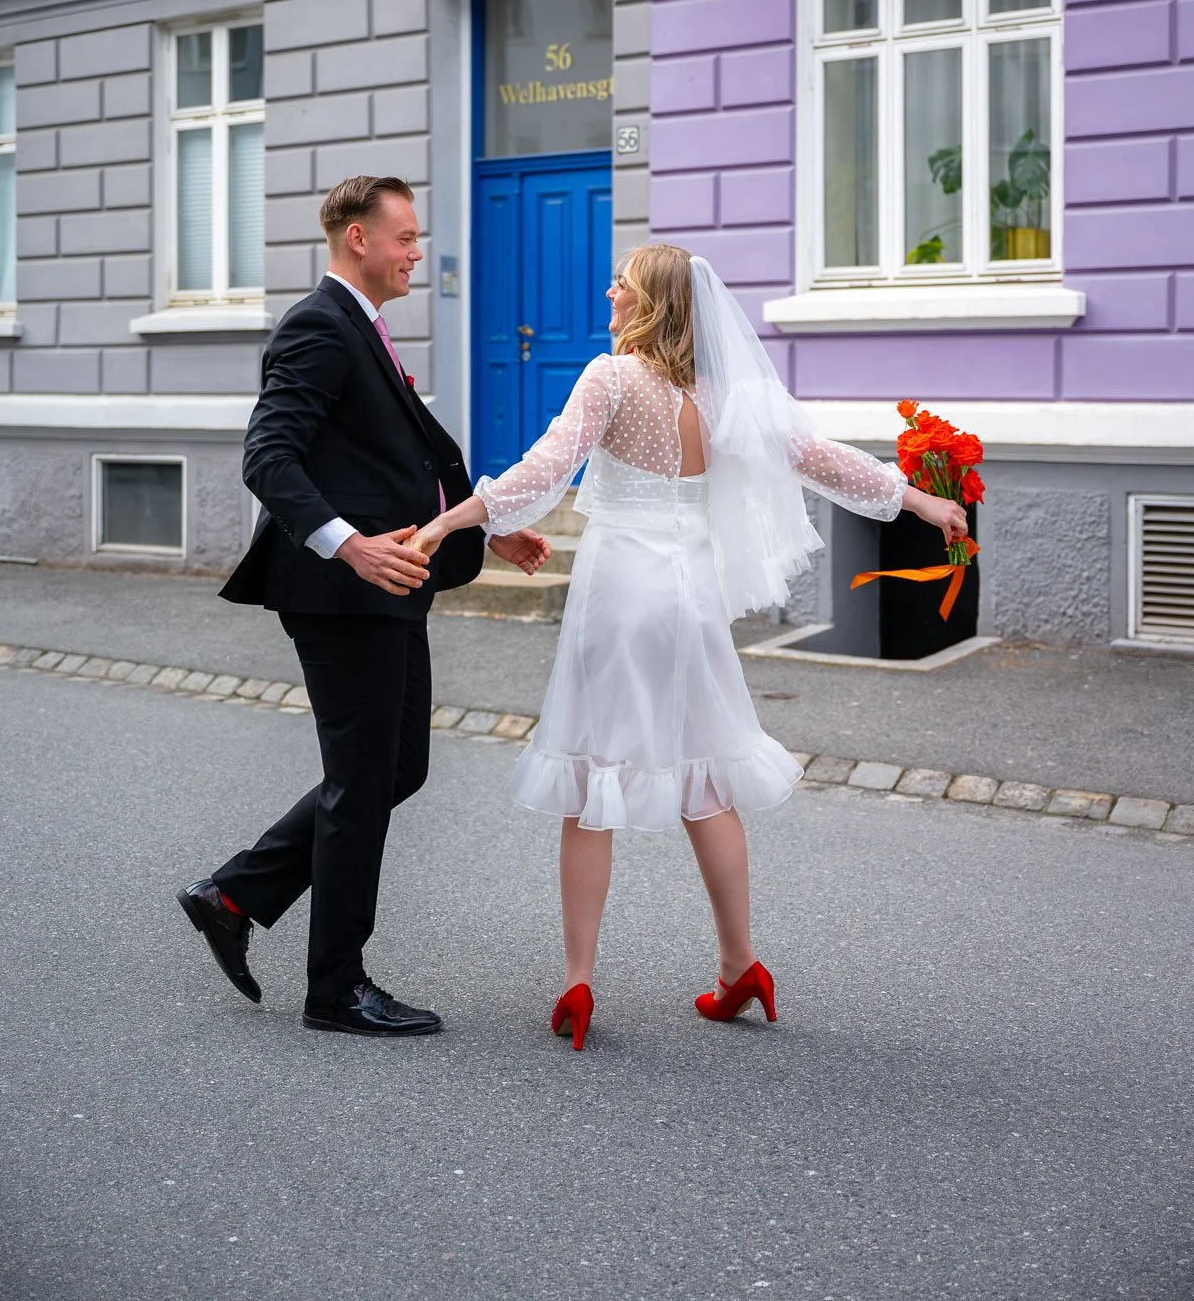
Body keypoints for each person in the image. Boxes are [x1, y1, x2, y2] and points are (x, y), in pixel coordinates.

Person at [408, 244, 966, 1049]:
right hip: (692, 595)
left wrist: (447, 523)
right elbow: (820, 461)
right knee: (708, 775)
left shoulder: (609, 378)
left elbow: (544, 471)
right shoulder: (726, 393)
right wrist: (920, 500)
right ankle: (741, 963)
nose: (608, 291)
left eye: (622, 284)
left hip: (619, 588)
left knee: (591, 782)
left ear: (650, 304)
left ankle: (577, 984)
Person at [178, 175, 549, 1038]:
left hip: (390, 583)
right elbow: (269, 456)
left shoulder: (363, 329)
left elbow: (412, 449)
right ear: (357, 239)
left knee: (394, 771)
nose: (418, 252)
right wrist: (347, 542)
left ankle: (233, 894)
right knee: (360, 781)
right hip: (345, 589)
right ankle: (335, 987)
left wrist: (485, 529)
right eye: (406, 237)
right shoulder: (317, 326)